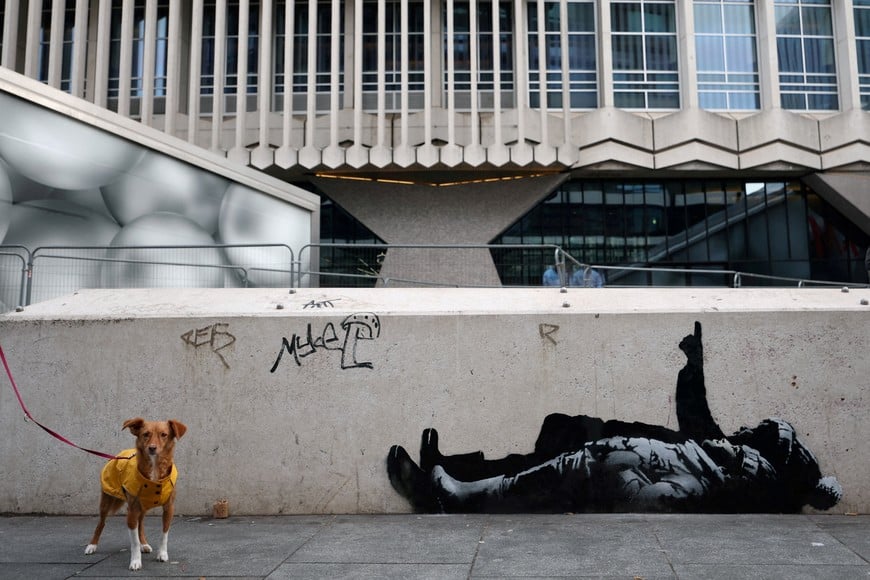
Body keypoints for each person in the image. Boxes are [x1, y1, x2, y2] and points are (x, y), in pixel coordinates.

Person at [386, 322, 842, 514]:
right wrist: (693, 368)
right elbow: (702, 428)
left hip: (633, 467)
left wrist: (693, 371)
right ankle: (452, 472)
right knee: (547, 448)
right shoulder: (741, 461)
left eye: (758, 431)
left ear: (776, 449)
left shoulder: (753, 467)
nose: (748, 429)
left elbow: (703, 435)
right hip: (628, 451)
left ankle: (443, 490)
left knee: (546, 466)